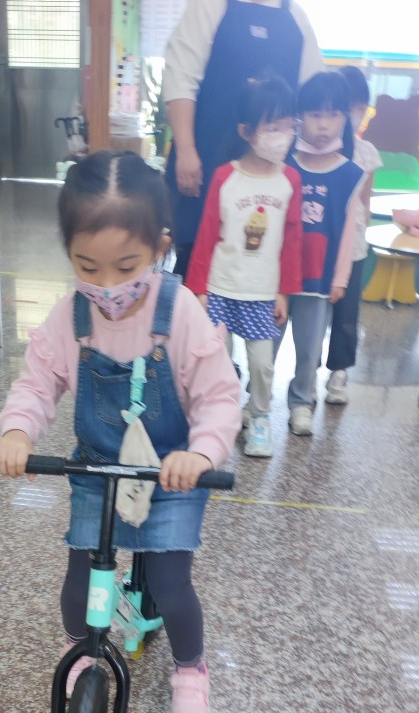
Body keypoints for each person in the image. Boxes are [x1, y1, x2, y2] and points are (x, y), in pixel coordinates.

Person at [0, 151, 240, 713]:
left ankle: (191, 669)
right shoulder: (71, 316)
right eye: (88, 266)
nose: (107, 286)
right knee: (81, 575)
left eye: (126, 266)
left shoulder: (181, 312)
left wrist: (201, 453)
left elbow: (219, 397)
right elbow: (37, 383)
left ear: (159, 247)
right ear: (70, 254)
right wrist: (17, 430)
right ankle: (80, 648)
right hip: (97, 467)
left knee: (171, 582)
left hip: (171, 473)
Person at [163, 0, 322, 280]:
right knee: (198, 254)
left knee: (262, 250)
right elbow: (181, 80)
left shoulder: (296, 17)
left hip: (272, 166)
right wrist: (186, 150)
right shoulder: (209, 6)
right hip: (207, 157)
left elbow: (313, 93)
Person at [186, 77, 302, 457]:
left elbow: (292, 240)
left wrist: (284, 292)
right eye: (273, 127)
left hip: (262, 293)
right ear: (246, 132)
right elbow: (207, 233)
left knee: (262, 364)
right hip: (220, 287)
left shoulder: (290, 180)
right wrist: (198, 289)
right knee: (216, 360)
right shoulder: (226, 176)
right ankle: (218, 416)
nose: (283, 135)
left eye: (289, 125)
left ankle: (260, 416)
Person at [280, 71, 365, 436]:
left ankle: (301, 402)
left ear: (344, 118)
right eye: (315, 114)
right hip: (277, 279)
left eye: (333, 115)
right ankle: (257, 402)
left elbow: (349, 232)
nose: (324, 124)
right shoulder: (283, 165)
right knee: (264, 346)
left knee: (308, 349)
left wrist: (341, 278)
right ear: (300, 117)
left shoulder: (350, 174)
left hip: (319, 277)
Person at [324, 66, 383, 405]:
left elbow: (366, 201)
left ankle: (339, 372)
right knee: (313, 312)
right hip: (322, 244)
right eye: (349, 106)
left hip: (355, 246)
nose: (354, 113)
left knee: (347, 315)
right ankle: (306, 370)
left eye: (361, 106)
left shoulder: (367, 152)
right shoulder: (317, 147)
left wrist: (364, 224)